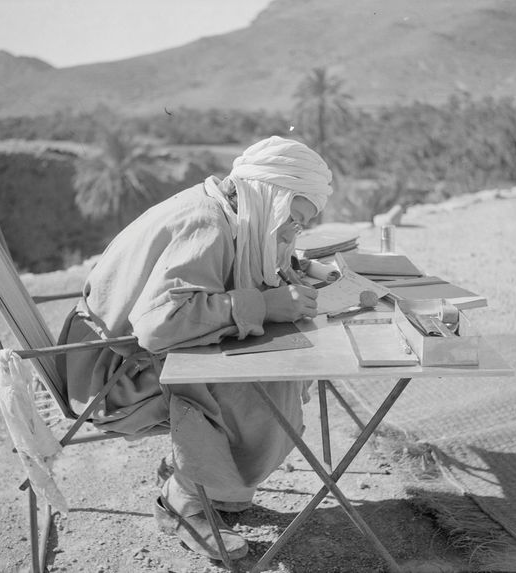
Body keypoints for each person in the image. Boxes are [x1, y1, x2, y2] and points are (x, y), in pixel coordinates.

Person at [56, 135, 333, 560]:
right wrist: (262, 304)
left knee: (266, 364)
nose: (294, 232)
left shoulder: (222, 208)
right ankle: (187, 498)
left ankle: (209, 483)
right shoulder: (205, 224)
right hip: (111, 378)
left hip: (111, 357)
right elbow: (159, 326)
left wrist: (284, 281)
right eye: (292, 219)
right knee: (263, 383)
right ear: (269, 197)